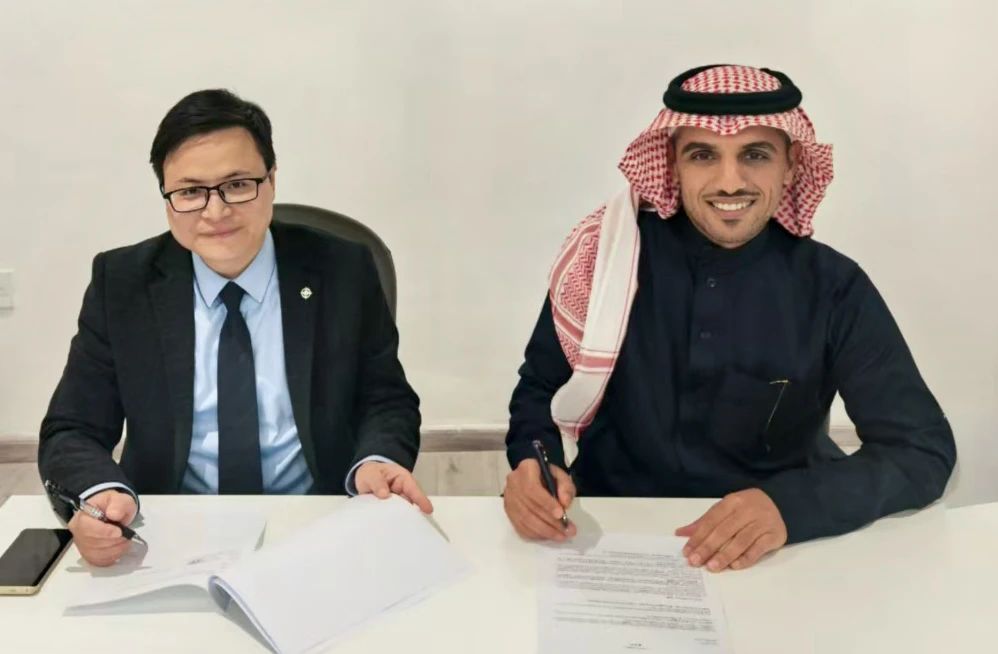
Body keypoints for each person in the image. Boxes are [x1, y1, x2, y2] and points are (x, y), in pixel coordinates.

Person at [503, 64, 956, 572]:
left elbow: (921, 451)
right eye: (703, 155)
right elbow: (540, 389)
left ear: (791, 166)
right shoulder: (607, 261)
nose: (729, 182)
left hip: (777, 558)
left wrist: (791, 507)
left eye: (755, 155)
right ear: (672, 165)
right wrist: (534, 461)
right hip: (610, 540)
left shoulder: (834, 287)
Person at [38, 89, 430, 566]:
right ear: (167, 198)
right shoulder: (122, 283)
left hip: (318, 523)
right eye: (190, 192)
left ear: (271, 181)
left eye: (238, 184)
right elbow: (73, 428)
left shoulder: (343, 269)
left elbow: (386, 399)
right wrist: (100, 495)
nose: (216, 211)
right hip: (168, 532)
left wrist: (377, 461)